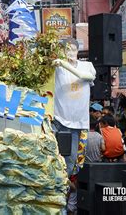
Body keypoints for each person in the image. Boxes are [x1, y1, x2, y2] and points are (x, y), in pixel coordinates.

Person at [52, 38, 96, 177]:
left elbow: (85, 76)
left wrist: (64, 64)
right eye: (67, 49)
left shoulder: (87, 65)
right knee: (50, 155)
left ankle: (64, 186)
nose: (70, 52)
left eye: (73, 49)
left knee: (70, 161)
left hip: (77, 122)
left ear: (77, 50)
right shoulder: (57, 66)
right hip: (58, 119)